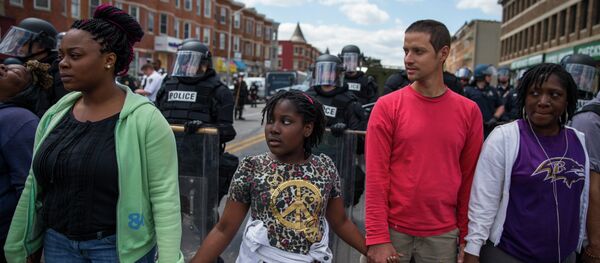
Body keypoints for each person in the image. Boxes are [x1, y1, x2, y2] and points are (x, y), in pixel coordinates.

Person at [4, 5, 183, 263]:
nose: (62, 63)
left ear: (109, 60)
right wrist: (20, 243)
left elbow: (165, 198)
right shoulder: (55, 115)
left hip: (117, 250)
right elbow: (34, 185)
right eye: (61, 55)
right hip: (57, 245)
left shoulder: (146, 120)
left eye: (74, 55)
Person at [191, 90, 367, 263]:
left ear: (307, 128)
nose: (274, 129)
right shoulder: (252, 167)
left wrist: (373, 251)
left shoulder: (324, 168)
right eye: (270, 121)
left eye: (286, 121)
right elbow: (224, 229)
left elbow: (341, 222)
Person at [365, 19, 483, 263]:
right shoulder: (387, 107)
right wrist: (377, 237)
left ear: (443, 54)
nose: (408, 58)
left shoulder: (469, 111)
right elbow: (376, 178)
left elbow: (469, 178)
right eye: (406, 51)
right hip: (392, 232)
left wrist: (466, 237)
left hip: (443, 236)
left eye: (418, 51)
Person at [464, 63, 589, 263]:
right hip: (510, 253)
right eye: (534, 93)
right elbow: (483, 201)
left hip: (564, 255)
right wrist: (473, 249)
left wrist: (583, 245)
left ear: (567, 101)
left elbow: (582, 201)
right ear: (524, 98)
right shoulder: (504, 138)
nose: (543, 101)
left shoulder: (578, 140)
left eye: (555, 95)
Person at [156, 39, 237, 202]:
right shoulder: (168, 86)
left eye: (190, 62)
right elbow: (154, 117)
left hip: (200, 163)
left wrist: (205, 130)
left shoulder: (219, 91)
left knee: (202, 213)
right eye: (182, 62)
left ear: (204, 65)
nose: (186, 66)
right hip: (166, 160)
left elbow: (228, 131)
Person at [0, 60, 52, 263]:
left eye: (16, 73)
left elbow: (28, 188)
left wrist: (27, 242)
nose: (4, 67)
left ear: (23, 92)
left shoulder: (20, 121)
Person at [306, 54, 367, 206]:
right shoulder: (307, 97)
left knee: (356, 179)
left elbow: (359, 137)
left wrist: (345, 130)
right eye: (322, 71)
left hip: (338, 160)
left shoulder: (349, 101)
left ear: (339, 73)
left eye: (330, 71)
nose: (326, 75)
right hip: (308, 157)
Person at [0, 17, 68, 117]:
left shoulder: (59, 73)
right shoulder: (31, 68)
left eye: (23, 41)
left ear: (41, 46)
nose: (18, 46)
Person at [569, 56, 600, 262]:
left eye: (587, 75)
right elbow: (592, 186)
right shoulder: (588, 119)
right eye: (577, 74)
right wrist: (594, 243)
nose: (582, 80)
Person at [464, 64, 505, 137]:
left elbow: (501, 106)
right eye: (488, 75)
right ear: (481, 76)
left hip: (490, 128)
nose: (491, 77)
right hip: (473, 128)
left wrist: (495, 118)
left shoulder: (493, 90)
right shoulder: (468, 90)